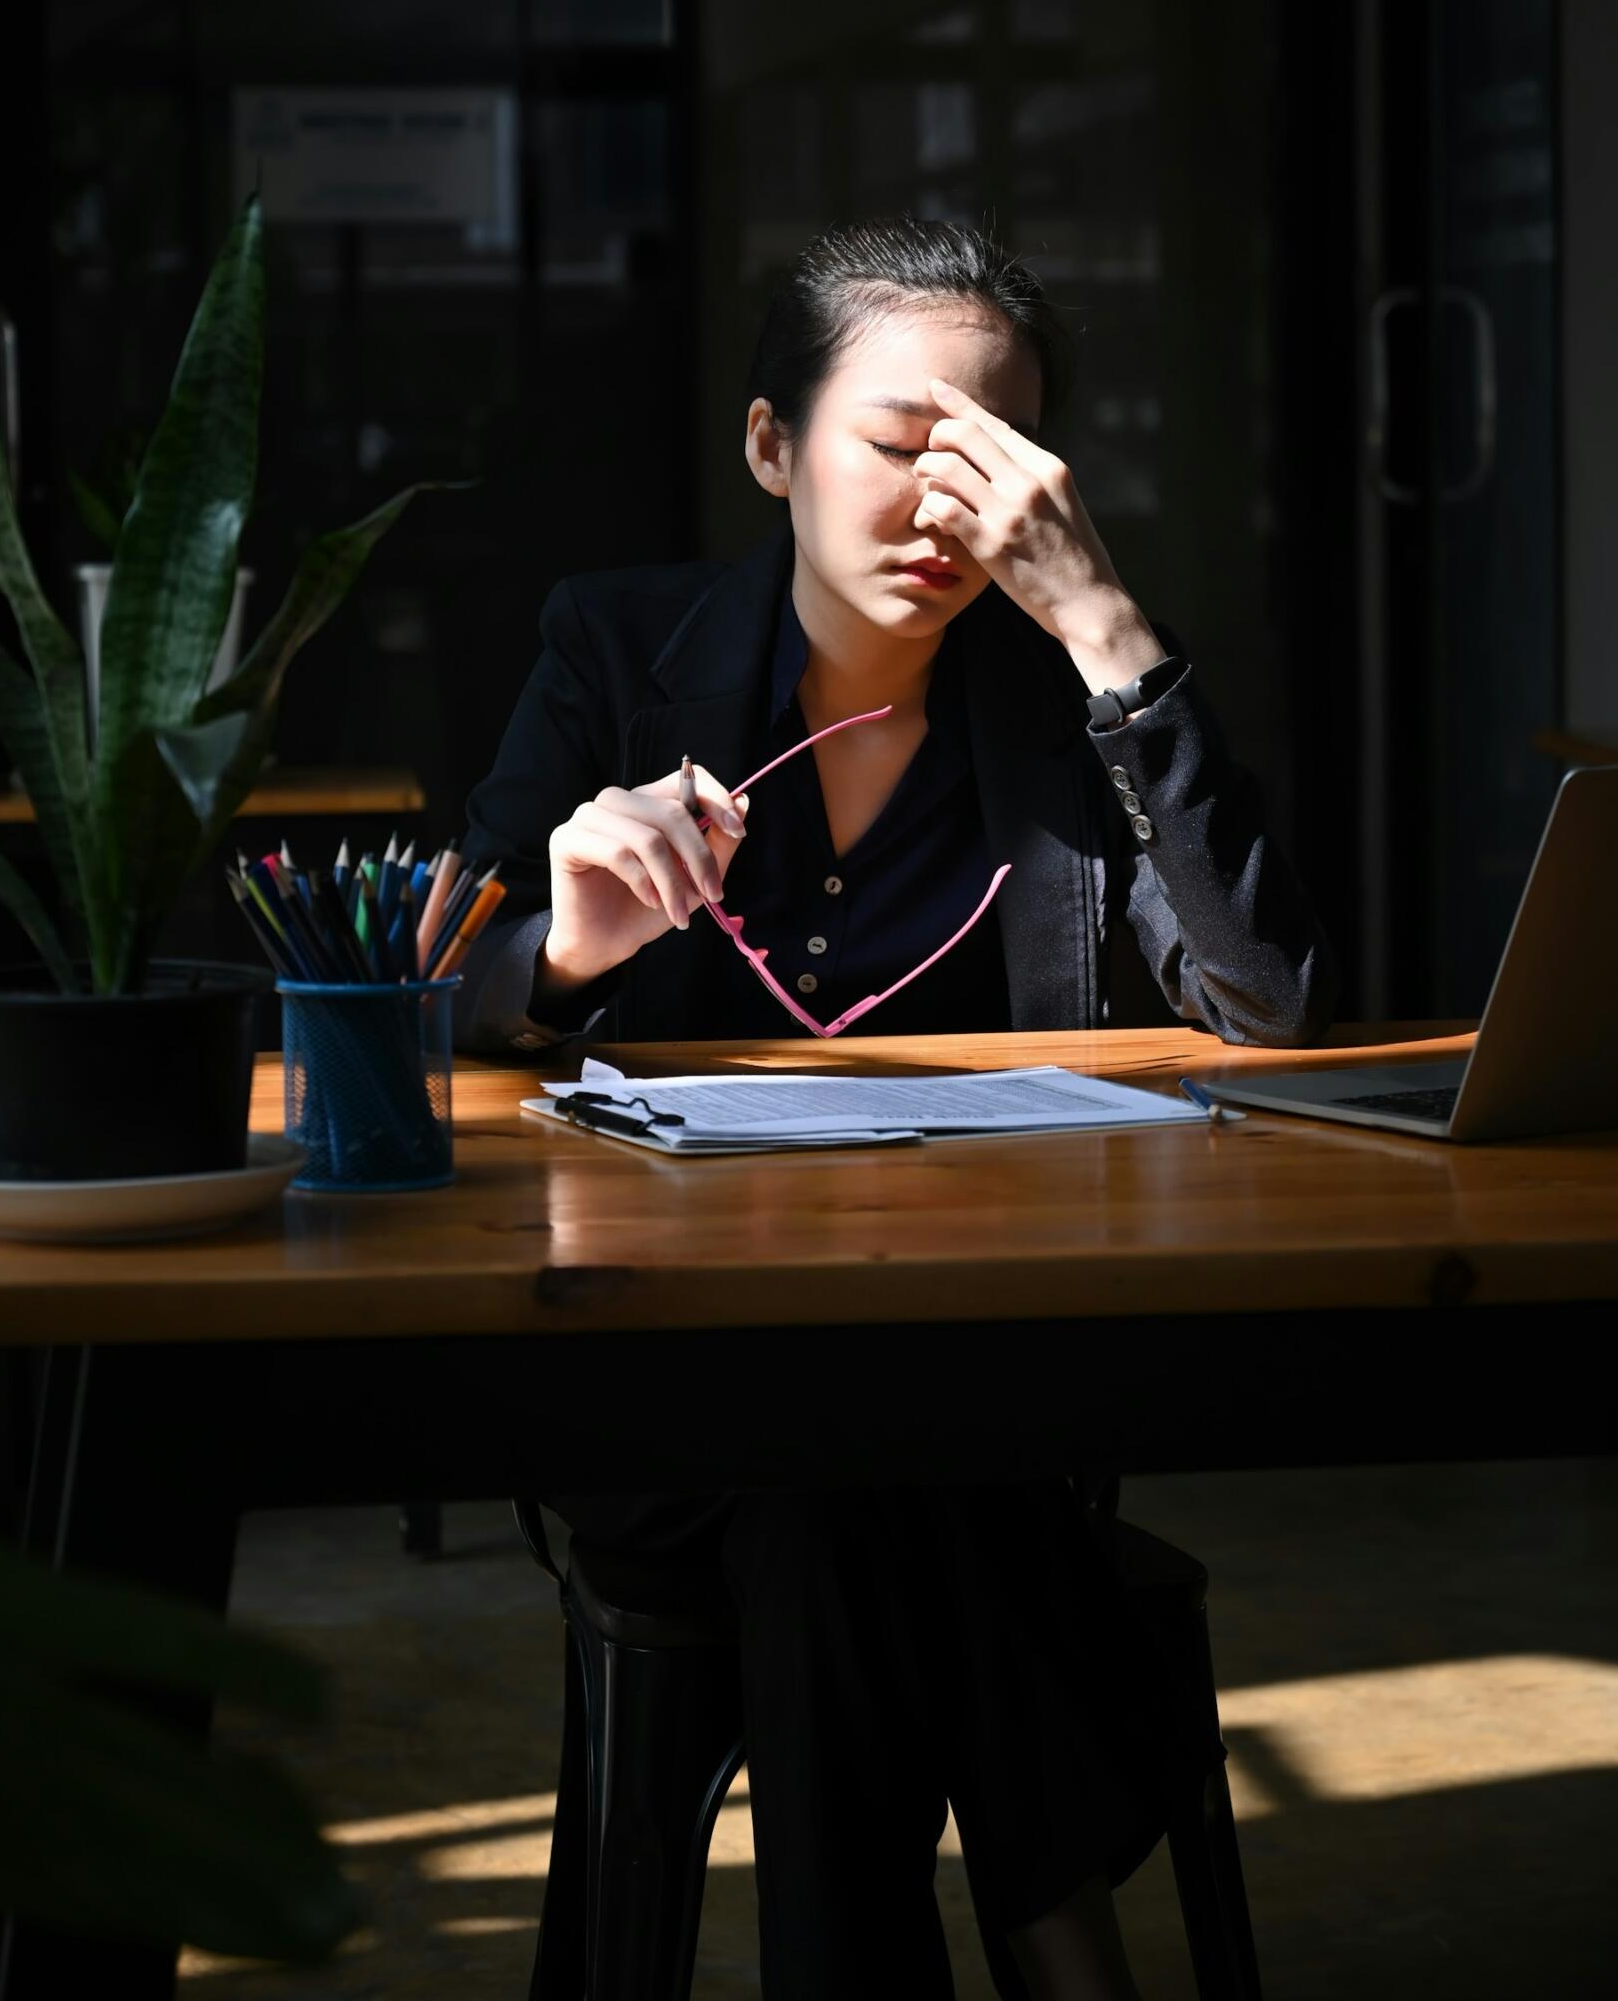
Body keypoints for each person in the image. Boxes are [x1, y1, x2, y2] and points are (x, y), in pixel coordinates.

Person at [458, 217, 1338, 1999]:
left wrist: (1102, 621)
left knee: (847, 1480)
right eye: (897, 442)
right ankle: (1061, 1937)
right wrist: (559, 952)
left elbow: (1270, 1013)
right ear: (774, 445)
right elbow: (406, 1023)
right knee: (832, 1469)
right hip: (664, 1386)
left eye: (998, 463)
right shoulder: (615, 653)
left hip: (990, 1377)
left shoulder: (1064, 702)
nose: (951, 503)